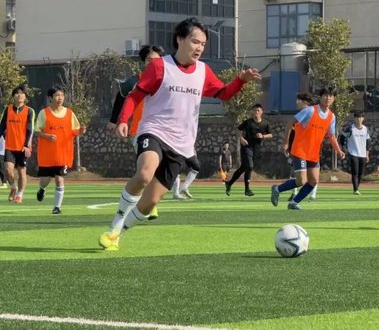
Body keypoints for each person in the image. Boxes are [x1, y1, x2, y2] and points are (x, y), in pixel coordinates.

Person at [99, 17, 261, 251]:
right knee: (144, 174)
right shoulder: (159, 67)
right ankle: (115, 223)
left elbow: (224, 94)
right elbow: (135, 96)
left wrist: (241, 81)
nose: (199, 48)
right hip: (153, 131)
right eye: (195, 42)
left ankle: (118, 234)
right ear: (180, 39)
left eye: (203, 44)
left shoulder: (203, 71)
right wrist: (123, 120)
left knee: (150, 202)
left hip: (182, 145)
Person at [108, 45, 163, 219]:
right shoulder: (134, 81)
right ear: (143, 62)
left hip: (162, 131)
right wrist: (114, 121)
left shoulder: (166, 80)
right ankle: (149, 205)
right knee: (147, 170)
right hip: (139, 131)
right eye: (149, 60)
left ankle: (147, 202)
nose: (152, 63)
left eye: (156, 60)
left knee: (154, 170)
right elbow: (120, 97)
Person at [271, 87, 346, 210]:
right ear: (320, 97)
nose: (328, 98)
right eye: (325, 95)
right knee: (301, 181)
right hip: (300, 150)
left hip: (313, 153)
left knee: (314, 181)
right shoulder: (310, 111)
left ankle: (294, 202)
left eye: (330, 96)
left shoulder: (332, 117)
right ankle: (277, 189)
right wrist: (285, 143)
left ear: (334, 99)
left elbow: (332, 136)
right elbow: (290, 122)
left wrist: (338, 151)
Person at [35, 86, 86, 214]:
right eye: (57, 95)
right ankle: (42, 189)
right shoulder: (44, 113)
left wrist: (81, 131)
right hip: (47, 155)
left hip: (63, 153)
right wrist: (47, 136)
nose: (60, 98)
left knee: (59, 178)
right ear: (50, 98)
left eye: (62, 95)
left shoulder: (69, 113)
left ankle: (57, 207)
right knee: (45, 180)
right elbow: (37, 131)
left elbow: (75, 130)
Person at [0, 85, 35, 203]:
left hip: (23, 147)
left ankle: (20, 194)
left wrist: (26, 145)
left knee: (22, 172)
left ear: (25, 96)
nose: (19, 95)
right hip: (10, 146)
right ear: (13, 96)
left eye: (22, 93)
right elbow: (2, 127)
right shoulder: (8, 110)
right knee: (7, 170)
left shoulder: (29, 111)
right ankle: (13, 187)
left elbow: (30, 129)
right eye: (17, 93)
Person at [225, 104, 272, 197]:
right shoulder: (248, 122)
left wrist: (263, 136)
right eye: (254, 110)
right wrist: (241, 139)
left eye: (258, 110)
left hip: (256, 149)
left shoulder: (265, 123)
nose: (256, 112)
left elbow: (271, 134)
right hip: (246, 147)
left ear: (262, 112)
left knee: (243, 168)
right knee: (250, 166)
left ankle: (229, 183)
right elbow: (238, 130)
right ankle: (247, 189)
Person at [285, 93, 315, 201]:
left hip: (310, 150)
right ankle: (294, 194)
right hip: (298, 150)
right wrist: (288, 145)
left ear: (305, 102)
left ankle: (312, 196)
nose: (296, 103)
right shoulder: (299, 116)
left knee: (312, 175)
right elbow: (292, 133)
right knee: (296, 173)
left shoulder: (312, 114)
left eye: (298, 101)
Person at [341, 110, 370, 195]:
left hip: (363, 154)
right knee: (355, 172)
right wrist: (344, 149)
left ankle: (357, 187)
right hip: (353, 153)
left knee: (361, 173)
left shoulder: (365, 129)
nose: (359, 119)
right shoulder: (350, 128)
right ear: (355, 118)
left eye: (360, 117)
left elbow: (368, 142)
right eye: (357, 117)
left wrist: (367, 154)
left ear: (363, 118)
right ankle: (355, 189)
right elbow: (342, 138)